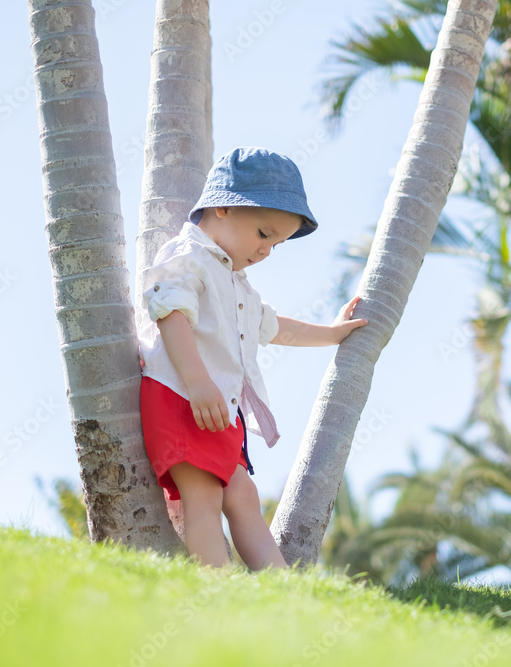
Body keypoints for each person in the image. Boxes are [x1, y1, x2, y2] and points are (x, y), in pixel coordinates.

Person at [136, 146, 367, 570]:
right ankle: (216, 590)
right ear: (223, 207)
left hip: (217, 410)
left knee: (242, 495)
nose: (266, 251)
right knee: (202, 495)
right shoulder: (186, 256)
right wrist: (198, 382)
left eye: (276, 244)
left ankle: (280, 590)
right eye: (264, 234)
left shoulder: (236, 284)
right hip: (183, 397)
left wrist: (333, 334)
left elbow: (276, 328)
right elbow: (170, 314)